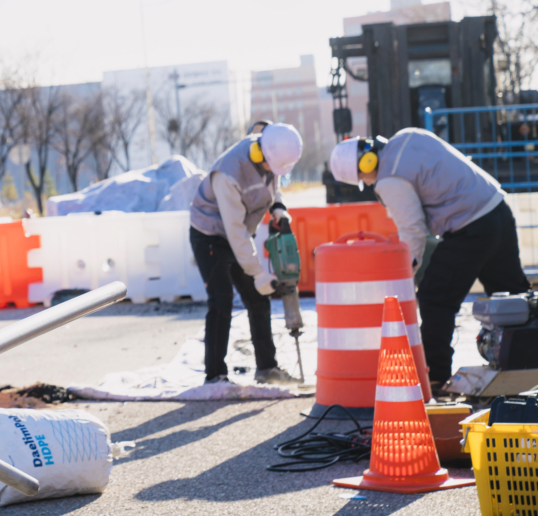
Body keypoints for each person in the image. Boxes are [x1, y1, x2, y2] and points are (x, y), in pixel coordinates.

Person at [328, 128, 530, 390]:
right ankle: (526, 364)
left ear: (367, 163)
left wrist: (404, 275)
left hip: (470, 227)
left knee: (435, 296)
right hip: (498, 211)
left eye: (362, 177)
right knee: (512, 298)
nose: (367, 183)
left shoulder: (389, 179)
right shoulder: (408, 135)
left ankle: (434, 376)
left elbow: (412, 231)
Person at [188, 122, 303, 385]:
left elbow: (273, 183)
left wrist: (278, 207)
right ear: (259, 154)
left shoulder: (271, 154)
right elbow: (236, 232)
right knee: (221, 299)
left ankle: (267, 368)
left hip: (237, 233)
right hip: (210, 235)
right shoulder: (229, 174)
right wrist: (258, 272)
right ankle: (215, 375)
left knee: (257, 298)